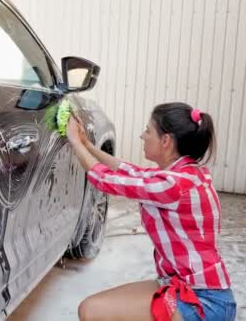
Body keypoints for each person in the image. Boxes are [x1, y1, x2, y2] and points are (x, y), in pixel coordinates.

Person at [66, 102, 236, 321]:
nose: (142, 136)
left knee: (93, 311)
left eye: (147, 131)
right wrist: (87, 145)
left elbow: (106, 180)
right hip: (184, 285)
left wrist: (73, 141)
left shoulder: (174, 185)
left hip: (204, 301)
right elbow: (132, 172)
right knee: (91, 308)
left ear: (165, 141)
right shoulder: (184, 174)